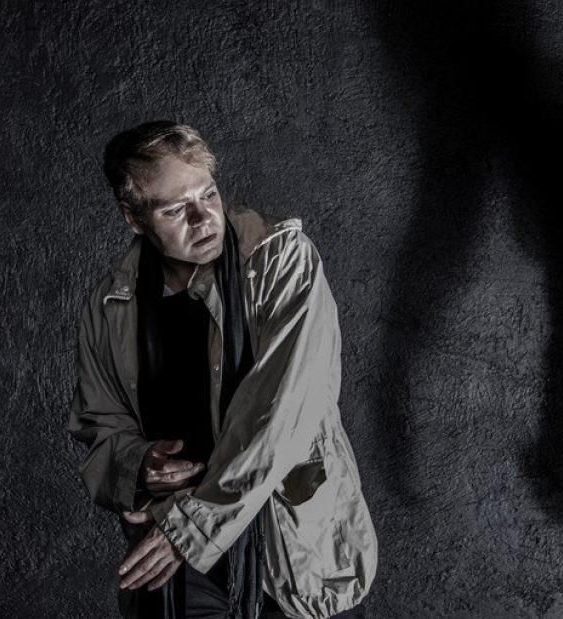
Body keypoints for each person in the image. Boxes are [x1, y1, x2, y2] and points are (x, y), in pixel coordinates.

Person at [67, 120, 378, 618]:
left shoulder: (281, 261)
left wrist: (195, 526)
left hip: (288, 545)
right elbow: (99, 421)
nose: (203, 217)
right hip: (180, 559)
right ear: (133, 217)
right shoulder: (113, 303)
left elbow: (283, 412)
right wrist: (137, 463)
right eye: (175, 209)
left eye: (208, 193)